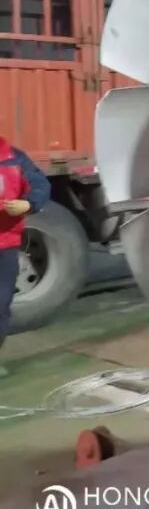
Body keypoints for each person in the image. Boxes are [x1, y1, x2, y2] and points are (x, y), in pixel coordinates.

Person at [0, 136, 50, 376]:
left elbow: (40, 185)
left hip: (5, 245)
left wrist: (28, 204)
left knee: (1, 303)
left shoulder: (14, 158)